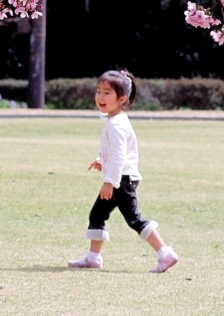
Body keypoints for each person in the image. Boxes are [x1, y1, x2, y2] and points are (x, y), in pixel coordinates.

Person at [67, 70, 179, 273]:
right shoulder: (116, 120)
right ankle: (93, 257)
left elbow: (120, 156)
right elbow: (116, 152)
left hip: (122, 180)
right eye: (99, 91)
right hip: (120, 177)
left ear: (122, 99)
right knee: (97, 215)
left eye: (107, 92)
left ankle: (165, 253)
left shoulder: (116, 124)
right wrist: (102, 160)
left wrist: (110, 181)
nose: (100, 96)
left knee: (134, 219)